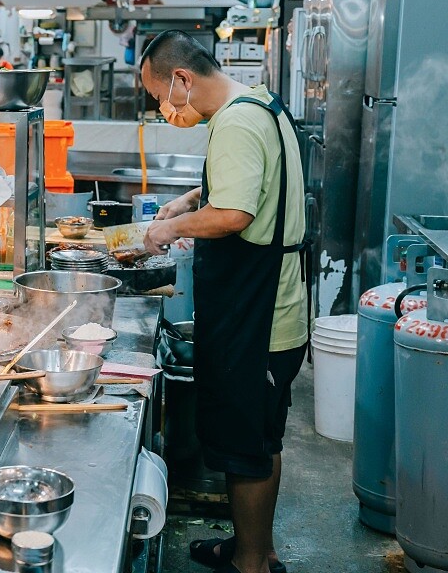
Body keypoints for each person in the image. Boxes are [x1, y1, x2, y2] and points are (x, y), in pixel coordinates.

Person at [139, 31, 306, 573]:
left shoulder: (234, 122)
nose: (164, 110)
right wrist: (189, 199)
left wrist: (170, 230)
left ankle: (251, 564)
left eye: (161, 98)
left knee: (247, 448)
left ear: (183, 80)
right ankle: (255, 548)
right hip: (269, 309)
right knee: (259, 437)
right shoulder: (258, 103)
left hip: (259, 319)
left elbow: (234, 215)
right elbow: (251, 184)